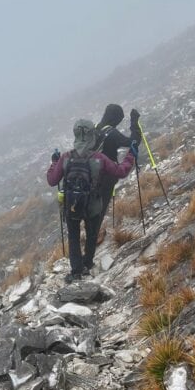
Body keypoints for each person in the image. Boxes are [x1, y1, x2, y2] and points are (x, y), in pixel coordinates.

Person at [47, 119, 137, 283]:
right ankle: (87, 263)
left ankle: (76, 272)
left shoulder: (66, 158)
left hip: (71, 205)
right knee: (91, 234)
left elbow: (52, 180)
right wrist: (131, 154)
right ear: (91, 136)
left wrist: (54, 162)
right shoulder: (99, 158)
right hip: (93, 204)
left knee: (73, 237)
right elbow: (121, 171)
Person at [94, 104, 141, 236]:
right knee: (101, 208)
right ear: (115, 118)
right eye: (119, 120)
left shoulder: (95, 128)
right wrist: (135, 123)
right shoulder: (111, 133)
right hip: (106, 176)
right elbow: (133, 142)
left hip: (91, 176)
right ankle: (93, 237)